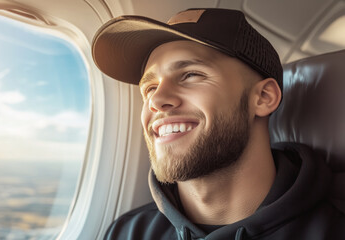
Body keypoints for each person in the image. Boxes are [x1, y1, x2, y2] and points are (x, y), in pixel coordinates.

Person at [91, 8, 345, 240]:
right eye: (150, 88)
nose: (156, 101)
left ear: (263, 98)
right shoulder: (126, 233)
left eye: (191, 75)